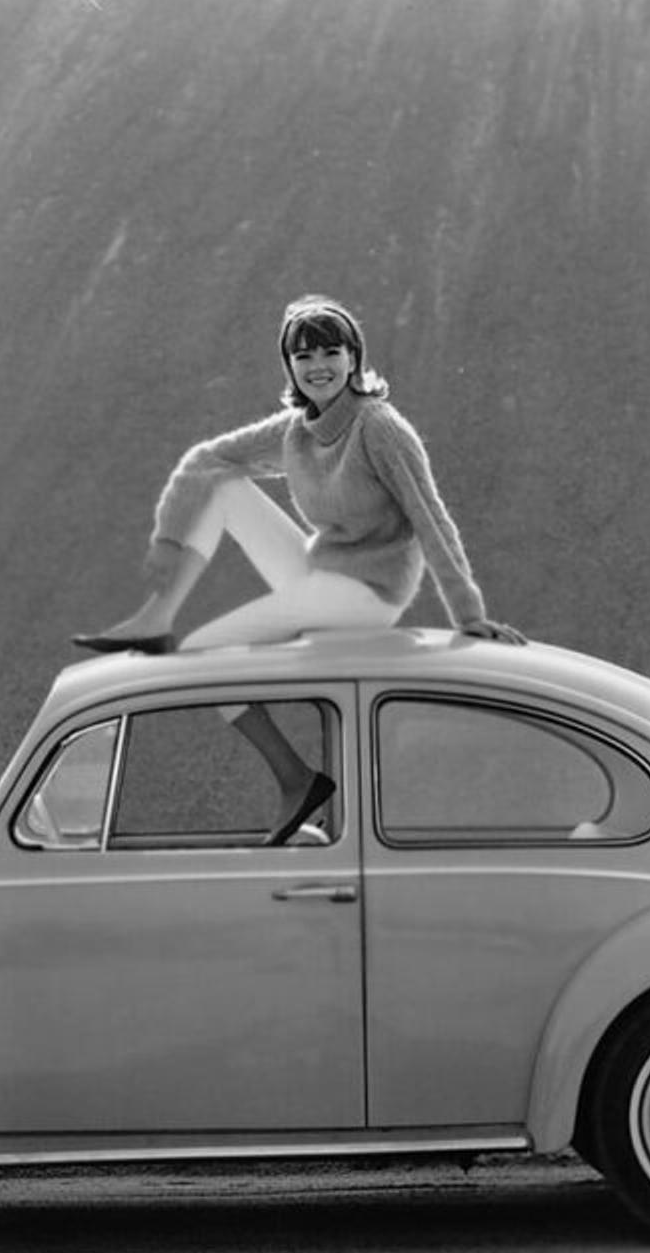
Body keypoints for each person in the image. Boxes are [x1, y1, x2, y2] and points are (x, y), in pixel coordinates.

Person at [73, 294, 525, 842]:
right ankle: (156, 614)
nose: (318, 366)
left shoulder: (379, 428)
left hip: (368, 592)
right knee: (220, 482)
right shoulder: (295, 430)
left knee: (199, 654)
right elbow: (204, 462)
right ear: (288, 366)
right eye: (303, 356)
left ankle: (296, 779)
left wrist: (469, 613)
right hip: (322, 571)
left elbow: (431, 519)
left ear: (354, 359)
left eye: (331, 352)